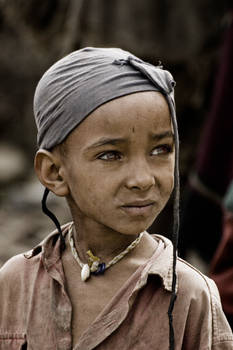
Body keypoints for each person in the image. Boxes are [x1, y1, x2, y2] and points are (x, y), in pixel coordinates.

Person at [0, 47, 232, 350]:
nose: (142, 179)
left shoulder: (189, 296)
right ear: (55, 172)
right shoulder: (16, 283)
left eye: (161, 150)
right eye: (111, 155)